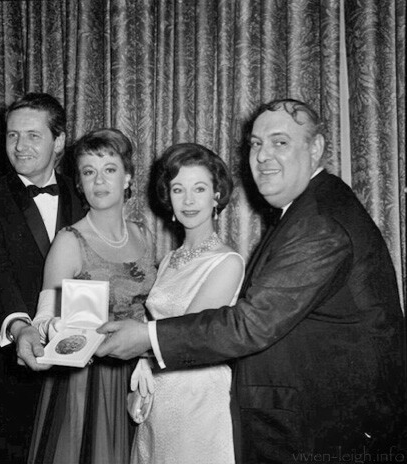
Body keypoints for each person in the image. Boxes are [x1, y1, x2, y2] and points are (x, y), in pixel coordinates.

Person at [96, 99, 406, 462]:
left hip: (328, 423)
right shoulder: (307, 211)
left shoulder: (317, 222)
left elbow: (250, 323)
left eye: (280, 142)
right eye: (256, 144)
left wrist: (146, 339)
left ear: (317, 148)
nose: (262, 156)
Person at [26, 128, 157, 464]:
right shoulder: (69, 241)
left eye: (109, 169)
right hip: (83, 385)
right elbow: (42, 321)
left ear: (127, 177)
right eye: (88, 172)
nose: (99, 181)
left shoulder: (144, 233)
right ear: (80, 184)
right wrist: (58, 328)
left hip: (138, 374)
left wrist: (148, 356)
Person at [0, 93, 83, 464]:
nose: (20, 146)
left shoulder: (86, 195)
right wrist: (19, 327)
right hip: (7, 379)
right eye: (12, 136)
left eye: (33, 135)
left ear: (60, 141)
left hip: (80, 376)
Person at [128, 143, 245, 464]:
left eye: (200, 188)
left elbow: (190, 333)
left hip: (198, 396)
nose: (189, 200)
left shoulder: (227, 261)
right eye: (179, 189)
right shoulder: (168, 260)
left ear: (216, 195)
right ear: (169, 197)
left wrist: (141, 351)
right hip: (158, 393)